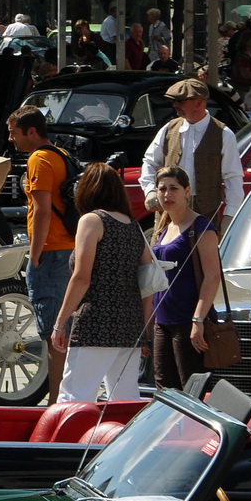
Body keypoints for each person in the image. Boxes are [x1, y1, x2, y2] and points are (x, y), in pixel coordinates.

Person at [50, 162, 150, 403]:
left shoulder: (92, 221)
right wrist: (144, 328)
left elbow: (82, 277)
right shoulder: (132, 225)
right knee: (124, 399)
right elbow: (147, 281)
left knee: (74, 397)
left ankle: (69, 442)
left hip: (95, 322)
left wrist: (60, 322)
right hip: (129, 323)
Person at [7, 105, 74, 404]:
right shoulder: (62, 154)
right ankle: (64, 395)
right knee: (66, 329)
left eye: (14, 133)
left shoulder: (38, 159)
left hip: (51, 251)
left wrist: (34, 256)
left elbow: (43, 211)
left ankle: (56, 400)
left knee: (54, 333)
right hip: (69, 247)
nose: (11, 139)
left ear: (32, 132)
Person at [149, 165, 224, 390]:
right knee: (165, 391)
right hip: (162, 321)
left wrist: (198, 320)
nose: (167, 194)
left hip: (188, 322)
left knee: (192, 390)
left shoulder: (201, 227)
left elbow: (213, 276)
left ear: (187, 191)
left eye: (174, 188)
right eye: (162, 189)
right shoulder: (163, 228)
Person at [139, 78, 244, 223]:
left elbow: (233, 178)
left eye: (180, 101)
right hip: (168, 216)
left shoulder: (223, 134)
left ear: (199, 103)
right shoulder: (169, 129)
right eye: (174, 100)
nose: (175, 104)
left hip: (204, 218)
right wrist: (150, 190)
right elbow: (149, 162)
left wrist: (230, 215)